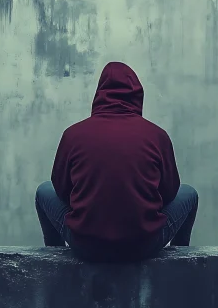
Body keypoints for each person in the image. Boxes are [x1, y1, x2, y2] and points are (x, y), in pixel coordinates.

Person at [35, 61, 199, 262]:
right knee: (189, 193)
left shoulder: (73, 135)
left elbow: (60, 189)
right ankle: (181, 263)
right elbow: (170, 192)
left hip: (85, 245)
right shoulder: (157, 136)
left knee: (44, 190)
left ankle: (54, 260)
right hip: (143, 246)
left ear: (99, 94)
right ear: (138, 94)